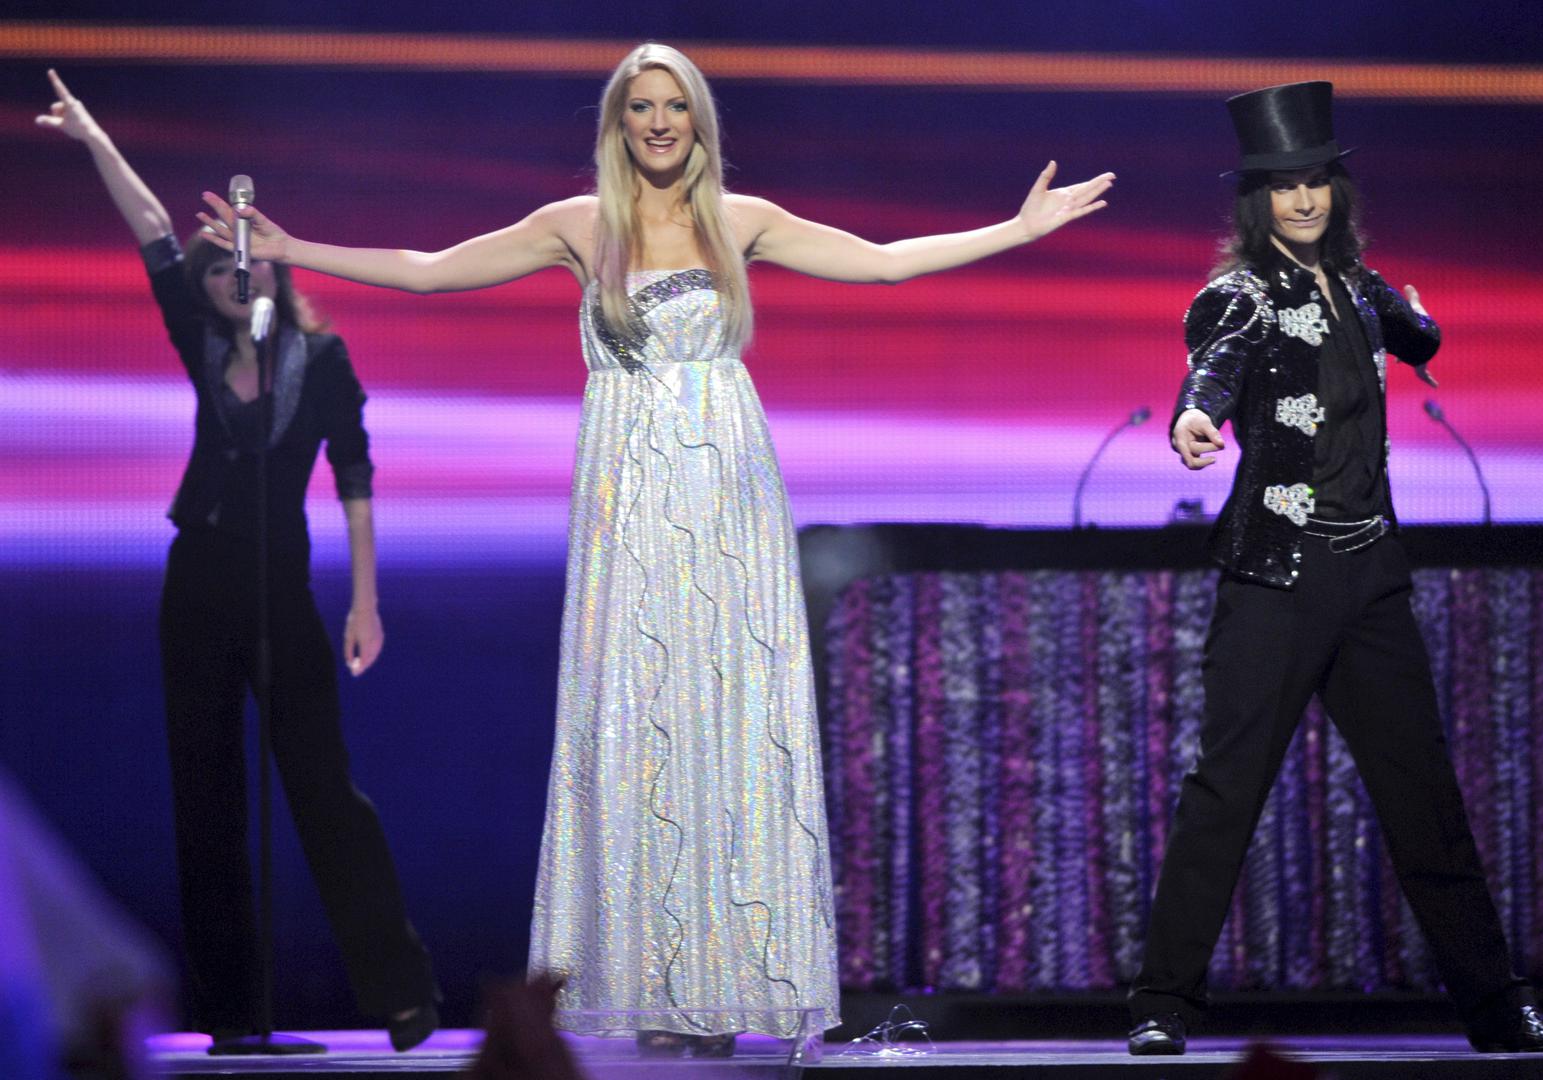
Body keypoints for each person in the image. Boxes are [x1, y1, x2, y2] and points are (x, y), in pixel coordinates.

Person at [193, 42, 1113, 1054]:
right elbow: (428, 272)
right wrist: (299, 249)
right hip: (627, 510)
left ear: (698, 120)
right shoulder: (578, 227)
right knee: (637, 723)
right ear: (618, 123)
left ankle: (728, 988)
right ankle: (657, 992)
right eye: (643, 108)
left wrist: (1018, 230)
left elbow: (885, 262)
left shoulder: (739, 220)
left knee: (730, 719)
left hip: (728, 502)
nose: (661, 123)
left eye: (676, 106)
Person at [1126, 81, 1543, 1057]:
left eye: (1315, 184)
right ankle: (1162, 1006)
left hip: (1370, 572)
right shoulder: (1240, 295)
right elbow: (1213, 363)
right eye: (1282, 188)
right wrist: (1193, 416)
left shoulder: (1364, 287)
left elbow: (1420, 339)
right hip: (1276, 574)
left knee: (1424, 796)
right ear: (1256, 201)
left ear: (1336, 190)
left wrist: (1417, 320)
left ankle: (1498, 1012)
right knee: (1227, 790)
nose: (1301, 202)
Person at [37, 69, 440, 1052]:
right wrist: (93, 135)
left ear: (275, 272)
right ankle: (235, 1018)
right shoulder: (200, 345)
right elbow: (150, 229)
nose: (230, 278)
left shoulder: (324, 362)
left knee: (322, 784)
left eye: (245, 264)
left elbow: (355, 474)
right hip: (199, 586)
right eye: (218, 271)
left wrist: (365, 602)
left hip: (283, 589)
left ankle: (400, 990)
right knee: (206, 796)